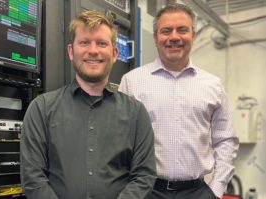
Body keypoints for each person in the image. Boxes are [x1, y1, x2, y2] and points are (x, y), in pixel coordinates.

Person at [20, 10, 156, 199]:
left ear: (115, 53)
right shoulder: (41, 109)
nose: (93, 50)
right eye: (84, 42)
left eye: (102, 43)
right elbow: (32, 178)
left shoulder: (136, 113)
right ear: (71, 51)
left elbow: (144, 176)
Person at [119, 3, 239, 199]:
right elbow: (119, 141)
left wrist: (216, 189)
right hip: (147, 191)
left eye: (182, 30)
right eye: (166, 31)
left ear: (193, 35)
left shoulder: (213, 85)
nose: (174, 37)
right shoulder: (132, 82)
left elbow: (226, 140)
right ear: (156, 37)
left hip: (198, 192)